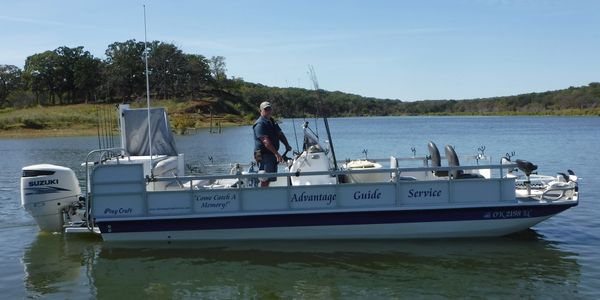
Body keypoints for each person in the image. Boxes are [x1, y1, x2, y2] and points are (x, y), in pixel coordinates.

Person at [253, 101, 292, 187]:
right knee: (265, 178)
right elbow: (266, 141)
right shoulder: (260, 124)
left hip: (271, 154)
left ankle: (266, 195)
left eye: (269, 109)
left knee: (269, 178)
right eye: (266, 109)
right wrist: (277, 154)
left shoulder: (271, 121)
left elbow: (280, 134)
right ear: (261, 111)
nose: (268, 111)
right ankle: (262, 197)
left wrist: (287, 145)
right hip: (263, 155)